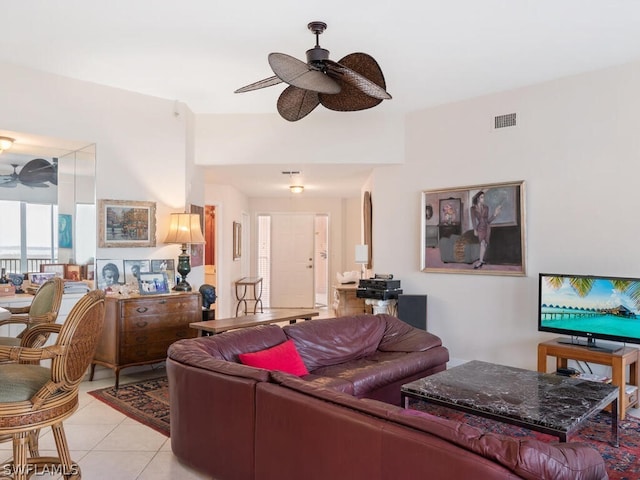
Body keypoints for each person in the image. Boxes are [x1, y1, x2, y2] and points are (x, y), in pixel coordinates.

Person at [470, 191, 501, 269]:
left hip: (487, 227)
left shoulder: (486, 207)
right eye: (482, 197)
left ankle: (480, 261)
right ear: (478, 198)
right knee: (482, 243)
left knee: (485, 244)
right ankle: (480, 261)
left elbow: (488, 221)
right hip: (480, 228)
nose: (483, 199)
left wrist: (495, 214)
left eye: (484, 197)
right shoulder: (473, 208)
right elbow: (473, 220)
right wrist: (474, 229)